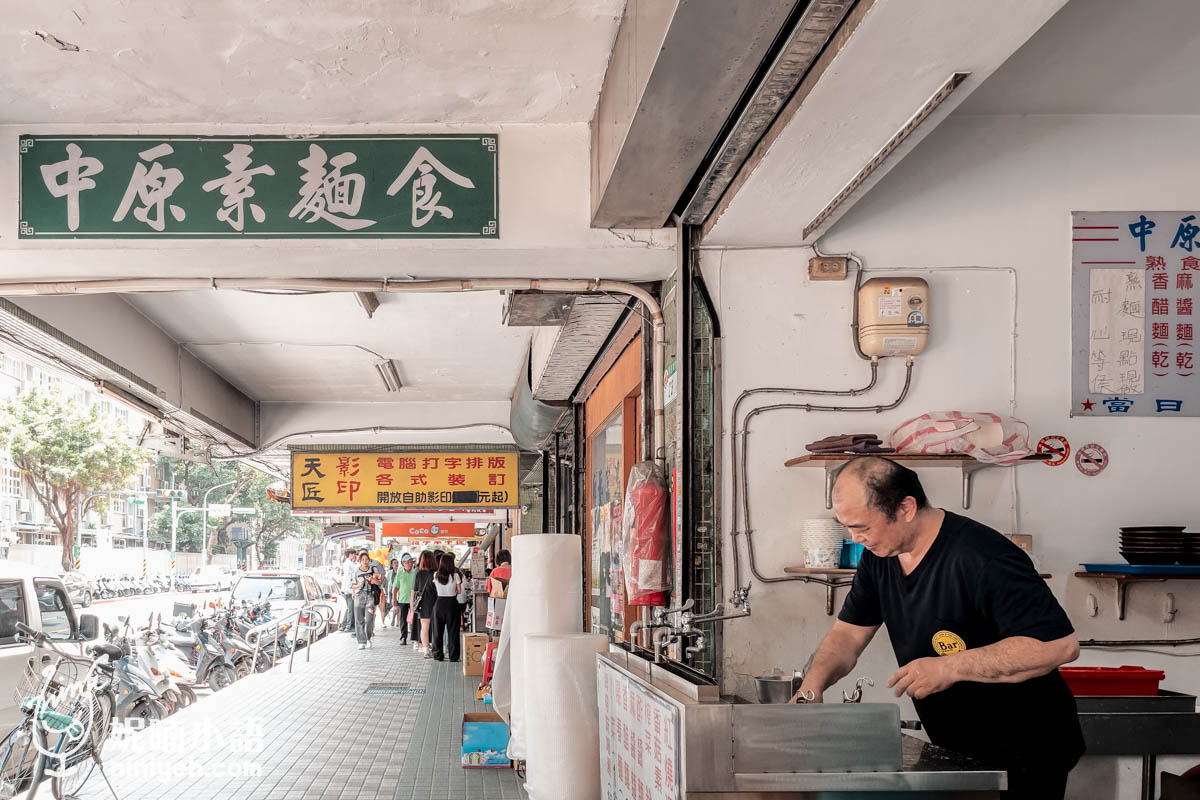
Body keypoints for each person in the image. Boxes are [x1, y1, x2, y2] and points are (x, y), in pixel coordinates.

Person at [792, 456, 1084, 798]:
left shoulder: (982, 557)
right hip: (958, 747)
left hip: (1028, 746)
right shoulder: (879, 557)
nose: (856, 539)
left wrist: (951, 666)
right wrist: (810, 690)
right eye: (848, 528)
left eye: (863, 527)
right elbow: (848, 634)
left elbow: (1058, 645)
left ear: (906, 508)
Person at [430, 553, 463, 662]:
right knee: (453, 631)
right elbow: (459, 591)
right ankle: (453, 656)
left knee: (437, 631)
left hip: (439, 604)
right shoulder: (455, 576)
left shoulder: (435, 575)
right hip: (452, 604)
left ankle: (438, 655)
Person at [411, 550, 438, 657]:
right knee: (437, 626)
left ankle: (426, 649)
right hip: (436, 601)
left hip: (423, 602)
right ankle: (437, 647)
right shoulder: (436, 573)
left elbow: (414, 589)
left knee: (424, 626)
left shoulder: (418, 573)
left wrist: (412, 603)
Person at [351, 550, 378, 650]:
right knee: (359, 619)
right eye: (363, 559)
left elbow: (379, 583)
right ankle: (361, 641)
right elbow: (352, 586)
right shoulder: (356, 571)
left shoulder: (373, 570)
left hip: (370, 596)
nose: (365, 561)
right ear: (360, 561)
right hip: (359, 595)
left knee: (370, 619)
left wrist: (372, 579)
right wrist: (359, 585)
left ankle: (368, 638)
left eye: (366, 559)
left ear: (369, 560)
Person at [392, 553, 416, 643]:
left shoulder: (415, 572)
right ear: (403, 563)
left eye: (411, 562)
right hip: (403, 600)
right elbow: (395, 587)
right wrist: (393, 598)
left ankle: (414, 639)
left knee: (414, 620)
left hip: (414, 601)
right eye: (408, 562)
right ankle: (403, 637)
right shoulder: (400, 573)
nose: (410, 564)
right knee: (403, 620)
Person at [338, 547, 357, 632]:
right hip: (349, 589)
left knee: (348, 608)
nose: (355, 556)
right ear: (350, 554)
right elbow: (351, 577)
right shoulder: (351, 564)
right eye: (354, 554)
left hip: (345, 588)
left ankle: (344, 625)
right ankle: (348, 626)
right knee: (350, 608)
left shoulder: (346, 564)